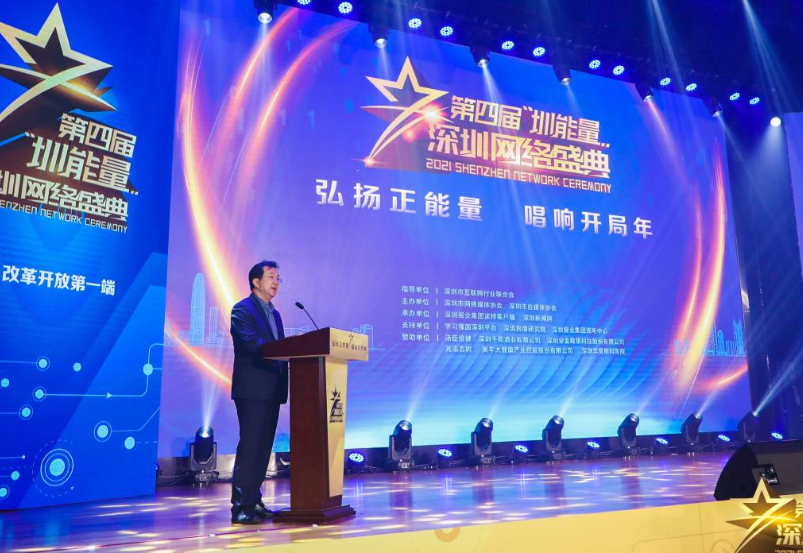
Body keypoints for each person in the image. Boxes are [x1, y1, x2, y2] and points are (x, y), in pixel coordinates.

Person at [229, 260, 288, 524]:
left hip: (272, 389)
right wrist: (283, 349)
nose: (276, 282)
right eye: (271, 277)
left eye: (278, 278)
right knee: (250, 447)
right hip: (252, 389)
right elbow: (251, 343)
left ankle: (254, 500)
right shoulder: (242, 309)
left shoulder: (276, 315)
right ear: (256, 281)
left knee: (263, 449)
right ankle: (240, 507)